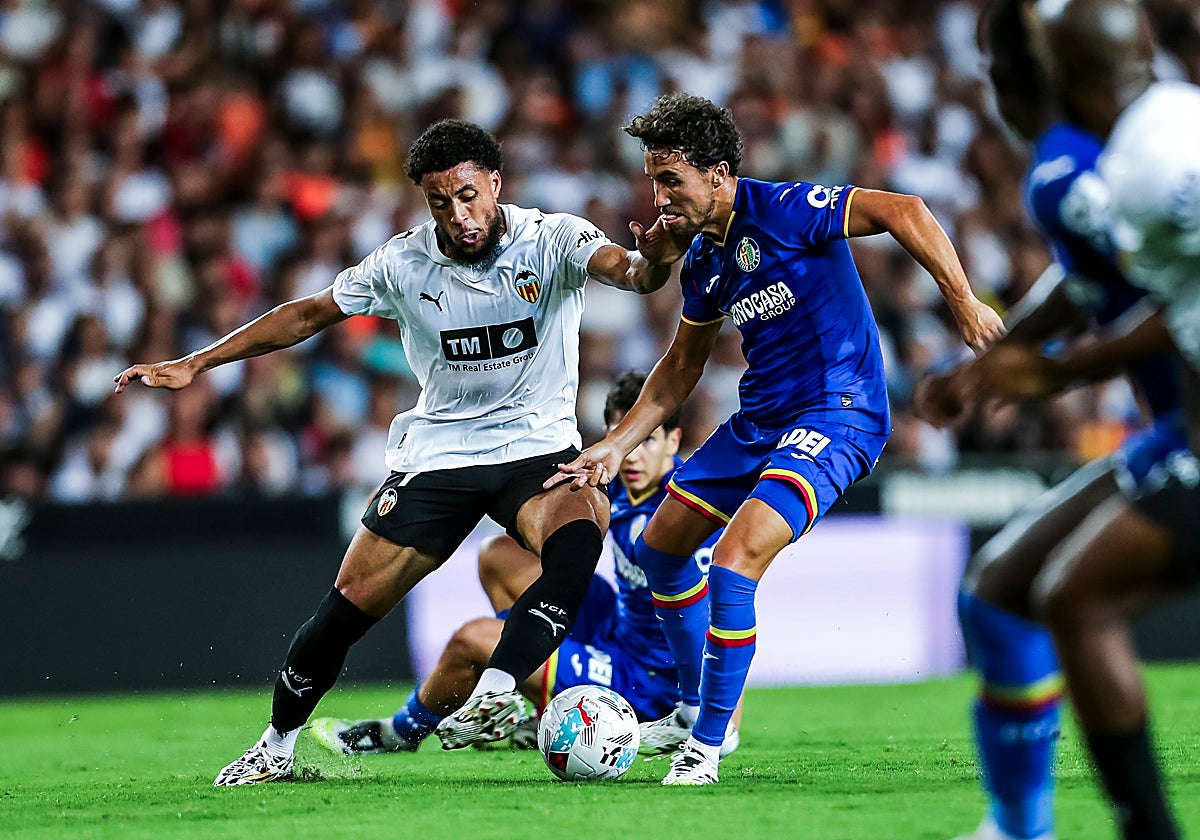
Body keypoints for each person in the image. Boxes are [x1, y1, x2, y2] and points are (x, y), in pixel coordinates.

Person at [113, 119, 677, 786]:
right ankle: (275, 747)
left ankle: (493, 694)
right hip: (439, 456)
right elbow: (306, 315)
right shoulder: (402, 265)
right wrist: (197, 363)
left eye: (469, 195)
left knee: (580, 532)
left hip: (537, 450)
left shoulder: (553, 240)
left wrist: (660, 253)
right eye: (441, 202)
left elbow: (633, 273)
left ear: (495, 183)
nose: (459, 215)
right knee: (344, 609)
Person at [548, 92, 1005, 786]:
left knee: (733, 563)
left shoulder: (788, 207)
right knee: (660, 548)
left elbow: (905, 209)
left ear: (720, 174)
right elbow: (678, 371)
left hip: (836, 414)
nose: (659, 195)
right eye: (653, 179)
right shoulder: (704, 262)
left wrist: (964, 302)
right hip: (760, 422)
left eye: (670, 179)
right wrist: (615, 444)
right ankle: (691, 701)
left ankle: (706, 745)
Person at [913, 3, 1184, 839]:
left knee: (1060, 598)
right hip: (1175, 428)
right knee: (1002, 594)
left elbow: (1169, 293)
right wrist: (1002, 354)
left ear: (1012, 81)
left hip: (1188, 431)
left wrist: (1056, 370)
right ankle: (1021, 827)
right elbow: (1096, 275)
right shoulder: (1106, 154)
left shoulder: (1075, 173)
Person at [308, 371, 739, 757]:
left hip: (647, 682)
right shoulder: (614, 483)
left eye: (647, 440)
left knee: (472, 640)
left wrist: (723, 716)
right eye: (622, 438)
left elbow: (723, 604)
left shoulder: (684, 512)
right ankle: (528, 705)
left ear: (674, 441)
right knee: (498, 556)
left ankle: (400, 733)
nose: (633, 455)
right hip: (619, 630)